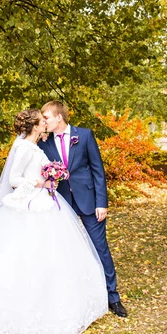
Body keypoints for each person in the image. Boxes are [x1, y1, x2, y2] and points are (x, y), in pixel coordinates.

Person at [0, 109, 108, 334]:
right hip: (31, 204)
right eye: (42, 122)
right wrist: (40, 182)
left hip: (47, 201)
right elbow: (13, 179)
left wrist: (53, 178)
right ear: (34, 126)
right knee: (26, 255)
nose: (46, 124)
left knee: (53, 255)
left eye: (47, 120)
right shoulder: (23, 148)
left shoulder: (36, 147)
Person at [38, 101, 127, 318]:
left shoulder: (85, 135)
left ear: (59, 117)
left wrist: (101, 202)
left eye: (47, 117)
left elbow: (98, 170)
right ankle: (76, 297)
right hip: (60, 203)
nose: (44, 121)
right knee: (64, 251)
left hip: (89, 201)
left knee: (100, 248)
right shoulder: (44, 141)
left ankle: (112, 297)